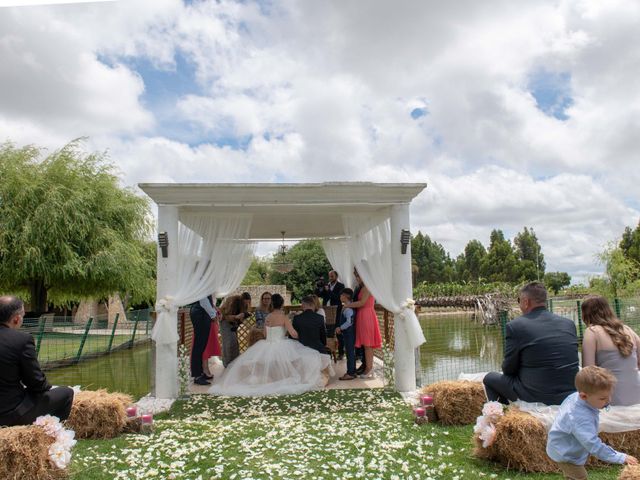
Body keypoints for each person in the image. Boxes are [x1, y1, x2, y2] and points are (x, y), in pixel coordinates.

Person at [209, 294, 332, 397]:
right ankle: (282, 379)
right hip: (282, 344)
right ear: (282, 304)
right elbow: (294, 334)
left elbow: (265, 333)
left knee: (269, 365)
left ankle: (271, 380)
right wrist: (300, 336)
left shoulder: (268, 317)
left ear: (272, 304)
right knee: (296, 360)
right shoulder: (284, 317)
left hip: (267, 344)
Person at [483, 281, 579, 405]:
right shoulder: (569, 324)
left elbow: (508, 369)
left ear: (526, 302)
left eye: (519, 301)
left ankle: (503, 418)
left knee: (490, 378)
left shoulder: (516, 326)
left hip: (537, 394)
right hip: (569, 393)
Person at [546, 366, 638, 479]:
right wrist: (620, 457)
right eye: (603, 398)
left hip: (564, 445)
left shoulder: (576, 397)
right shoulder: (579, 418)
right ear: (584, 396)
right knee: (580, 477)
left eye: (609, 395)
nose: (609, 400)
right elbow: (593, 445)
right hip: (565, 453)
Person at [0, 296, 74, 426]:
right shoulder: (22, 340)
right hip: (9, 414)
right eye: (23, 315)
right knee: (66, 393)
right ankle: (51, 435)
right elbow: (37, 383)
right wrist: (46, 386)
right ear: (16, 319)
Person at [581, 296, 640, 406]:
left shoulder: (592, 332)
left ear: (585, 314)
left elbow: (588, 373)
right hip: (637, 397)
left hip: (610, 400)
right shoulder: (628, 330)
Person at [344, 269, 382, 379]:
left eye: (358, 276)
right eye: (356, 276)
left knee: (368, 345)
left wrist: (347, 305)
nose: (357, 278)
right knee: (366, 345)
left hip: (367, 315)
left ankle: (369, 369)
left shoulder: (367, 287)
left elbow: (362, 302)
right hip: (362, 315)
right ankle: (368, 368)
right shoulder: (362, 287)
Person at [189, 295, 218, 385]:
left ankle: (201, 373)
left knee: (202, 345)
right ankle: (197, 376)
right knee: (199, 345)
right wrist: (213, 314)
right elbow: (203, 300)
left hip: (201, 312)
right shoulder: (203, 281)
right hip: (200, 312)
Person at [318, 270, 345, 358]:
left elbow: (338, 298)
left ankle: (341, 353)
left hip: (337, 311)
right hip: (327, 311)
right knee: (327, 332)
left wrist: (328, 290)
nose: (330, 278)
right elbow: (320, 295)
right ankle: (328, 353)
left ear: (336, 277)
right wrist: (319, 287)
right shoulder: (327, 285)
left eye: (332, 276)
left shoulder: (341, 286)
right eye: (329, 276)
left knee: (338, 331)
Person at [220, 295, 249, 367]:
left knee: (234, 343)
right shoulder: (233, 302)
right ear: (241, 301)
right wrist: (236, 317)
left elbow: (241, 319)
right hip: (225, 322)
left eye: (248, 303)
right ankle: (227, 364)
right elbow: (225, 316)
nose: (246, 304)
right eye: (245, 303)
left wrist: (243, 316)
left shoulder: (244, 306)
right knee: (228, 343)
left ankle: (234, 362)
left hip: (233, 324)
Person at [336, 288, 356, 380]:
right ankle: (352, 371)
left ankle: (351, 373)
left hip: (349, 334)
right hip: (347, 334)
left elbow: (349, 322)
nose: (340, 296)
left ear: (346, 296)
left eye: (341, 295)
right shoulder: (346, 306)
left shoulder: (348, 309)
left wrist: (340, 328)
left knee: (350, 353)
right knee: (349, 352)